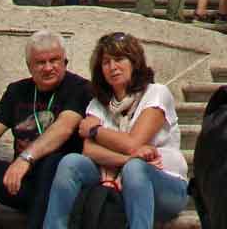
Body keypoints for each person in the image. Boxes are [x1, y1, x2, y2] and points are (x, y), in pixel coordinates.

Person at [0, 31, 93, 229]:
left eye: (54, 60)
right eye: (40, 62)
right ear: (29, 67)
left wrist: (26, 158)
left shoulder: (80, 88)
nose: (48, 67)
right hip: (22, 182)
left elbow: (63, 128)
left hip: (61, 188)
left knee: (53, 162)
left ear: (65, 61)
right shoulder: (17, 90)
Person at [42, 32, 188, 229]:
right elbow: (89, 151)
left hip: (165, 185)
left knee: (135, 170)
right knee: (71, 162)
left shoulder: (156, 93)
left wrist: (95, 131)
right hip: (111, 177)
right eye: (106, 62)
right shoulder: (97, 103)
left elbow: (132, 143)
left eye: (119, 59)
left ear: (134, 62)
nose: (112, 67)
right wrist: (128, 159)